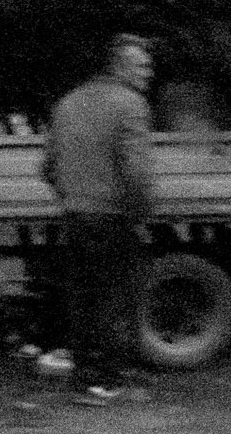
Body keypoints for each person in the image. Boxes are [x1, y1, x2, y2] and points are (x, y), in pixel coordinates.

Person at [40, 34, 155, 391]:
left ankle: (86, 376)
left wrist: (70, 194)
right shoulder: (130, 104)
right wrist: (139, 216)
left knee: (83, 299)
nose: (148, 72)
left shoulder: (68, 103)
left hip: (74, 215)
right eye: (142, 65)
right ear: (120, 66)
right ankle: (109, 377)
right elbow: (137, 173)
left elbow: (47, 167)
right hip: (112, 217)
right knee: (115, 298)